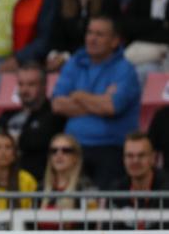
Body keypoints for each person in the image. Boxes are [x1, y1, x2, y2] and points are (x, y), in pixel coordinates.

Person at [52, 16, 141, 190]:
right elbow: (57, 104)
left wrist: (78, 95)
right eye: (90, 32)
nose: (92, 38)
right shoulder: (74, 63)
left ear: (114, 41)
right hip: (74, 148)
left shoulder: (125, 69)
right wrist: (98, 101)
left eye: (99, 34)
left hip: (111, 148)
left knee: (103, 208)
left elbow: (111, 107)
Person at [0, 61, 66, 180]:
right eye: (21, 84)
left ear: (44, 86)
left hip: (38, 181)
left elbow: (38, 142)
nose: (24, 90)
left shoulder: (54, 115)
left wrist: (9, 142)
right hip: (6, 180)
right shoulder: (8, 115)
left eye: (31, 84)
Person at [47, 0, 119, 72]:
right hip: (64, 63)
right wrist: (54, 54)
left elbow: (104, 40)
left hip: (98, 63)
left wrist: (67, 57)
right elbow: (55, 33)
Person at [109, 131, 169, 229]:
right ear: (123, 159)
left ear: (152, 158)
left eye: (141, 155)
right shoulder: (116, 190)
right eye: (130, 156)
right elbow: (108, 232)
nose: (135, 161)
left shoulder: (166, 188)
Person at [39, 133, 96, 228]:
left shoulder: (85, 186)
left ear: (76, 157)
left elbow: (91, 223)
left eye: (66, 151)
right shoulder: (41, 187)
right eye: (54, 151)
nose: (59, 154)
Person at [122, 0, 169, 80]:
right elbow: (128, 26)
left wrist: (146, 27)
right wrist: (161, 24)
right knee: (139, 71)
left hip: (164, 54)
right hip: (140, 52)